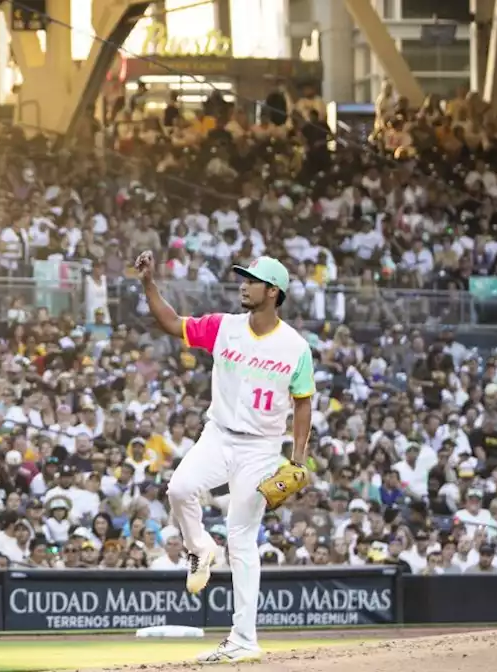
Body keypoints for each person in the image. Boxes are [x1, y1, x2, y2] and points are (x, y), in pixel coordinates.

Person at [135, 251, 314, 664]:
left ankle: (243, 638)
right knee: (179, 488)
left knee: (241, 537)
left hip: (262, 448)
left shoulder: (296, 347)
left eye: (252, 281)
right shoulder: (223, 326)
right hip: (218, 434)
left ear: (273, 292)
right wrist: (149, 284)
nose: (243, 285)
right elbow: (171, 323)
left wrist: (298, 459)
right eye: (243, 279)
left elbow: (303, 403)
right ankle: (200, 547)